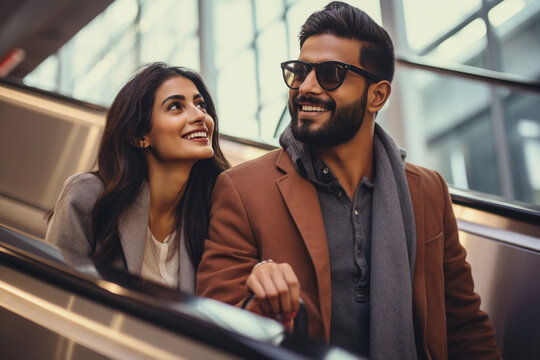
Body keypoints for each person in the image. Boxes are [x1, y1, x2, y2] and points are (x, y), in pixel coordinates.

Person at [196, 2, 501, 359]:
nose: (305, 87)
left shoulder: (427, 191)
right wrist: (264, 302)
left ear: (377, 95)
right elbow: (216, 325)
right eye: (300, 71)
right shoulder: (243, 190)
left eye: (330, 74)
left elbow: (463, 325)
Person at [45, 62, 229, 292]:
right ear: (139, 136)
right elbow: (52, 291)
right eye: (175, 106)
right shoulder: (87, 196)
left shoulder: (212, 209)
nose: (200, 116)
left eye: (200, 105)